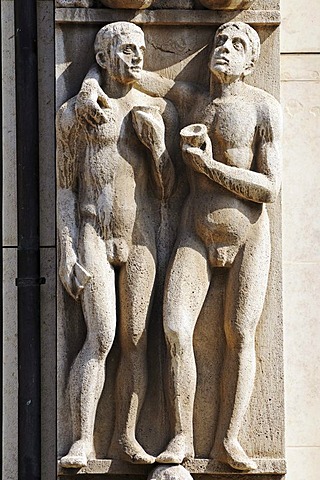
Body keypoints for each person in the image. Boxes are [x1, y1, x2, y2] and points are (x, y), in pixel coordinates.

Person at [77, 21, 281, 471]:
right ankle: (182, 435)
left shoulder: (264, 108)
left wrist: (208, 167)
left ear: (251, 62)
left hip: (248, 233)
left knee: (240, 334)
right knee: (173, 328)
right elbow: (132, 76)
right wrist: (92, 86)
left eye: (238, 45)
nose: (225, 49)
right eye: (221, 41)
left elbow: (269, 187)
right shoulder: (192, 100)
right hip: (195, 229)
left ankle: (229, 438)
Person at [57, 21, 176, 468]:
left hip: (140, 236)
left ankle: (126, 437)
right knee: (102, 334)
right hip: (92, 230)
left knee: (136, 338)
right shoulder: (76, 112)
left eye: (141, 49)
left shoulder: (152, 109)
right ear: (103, 57)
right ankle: (83, 440)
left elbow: (166, 191)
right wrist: (67, 248)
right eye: (127, 50)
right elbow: (66, 188)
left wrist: (159, 147)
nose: (138, 58)